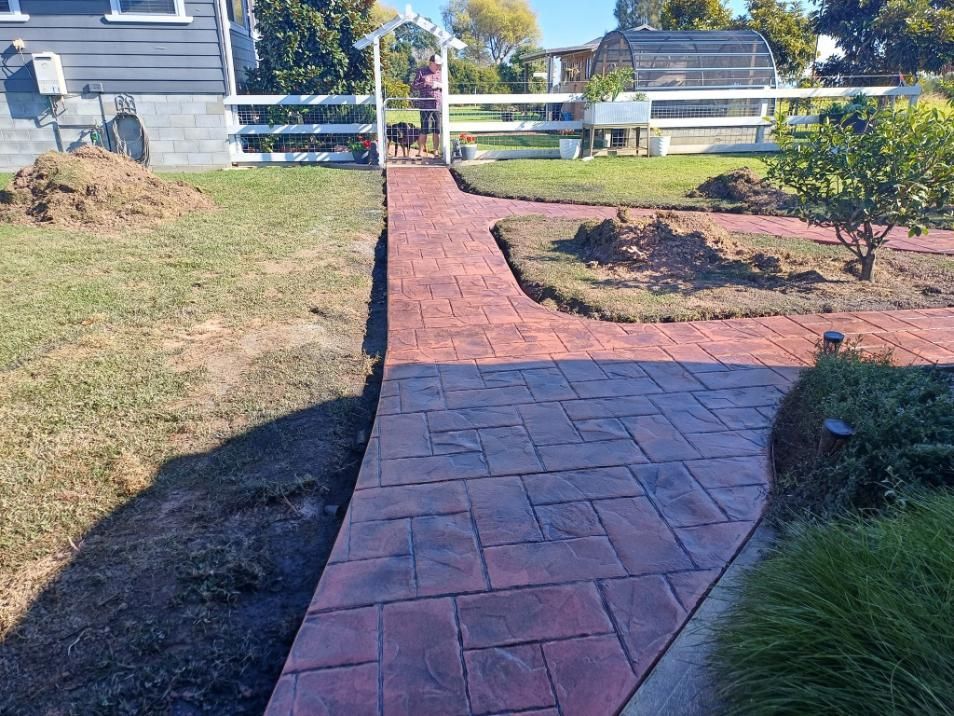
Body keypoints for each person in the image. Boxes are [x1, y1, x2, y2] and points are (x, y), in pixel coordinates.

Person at [411, 54, 443, 158]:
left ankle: (436, 152)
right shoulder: (421, 71)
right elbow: (414, 86)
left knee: (437, 129)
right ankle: (420, 152)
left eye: (439, 65)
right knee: (424, 128)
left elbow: (446, 86)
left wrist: (439, 85)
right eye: (436, 65)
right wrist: (425, 83)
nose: (438, 67)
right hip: (425, 105)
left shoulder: (441, 73)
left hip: (437, 105)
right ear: (431, 63)